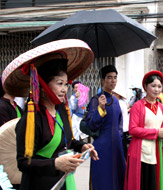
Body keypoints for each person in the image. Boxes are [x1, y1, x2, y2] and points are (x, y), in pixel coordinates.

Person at [2, 39, 99, 190]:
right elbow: (23, 162)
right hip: (38, 184)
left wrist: (82, 146)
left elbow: (68, 141)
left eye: (66, 84)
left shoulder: (61, 110)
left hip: (62, 180)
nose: (64, 89)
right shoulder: (32, 118)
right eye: (59, 83)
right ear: (43, 86)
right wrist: (55, 163)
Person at [124, 70, 163, 190]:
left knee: (155, 183)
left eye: (159, 86)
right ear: (145, 87)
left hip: (156, 151)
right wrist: (156, 133)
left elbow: (162, 126)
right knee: (144, 183)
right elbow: (132, 130)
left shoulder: (160, 106)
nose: (156, 89)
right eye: (153, 86)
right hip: (141, 153)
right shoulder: (137, 106)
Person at [87, 65, 126, 190]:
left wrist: (120, 142)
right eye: (109, 77)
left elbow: (119, 125)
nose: (113, 80)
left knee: (118, 179)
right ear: (102, 80)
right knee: (103, 180)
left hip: (117, 146)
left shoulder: (115, 100)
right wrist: (101, 108)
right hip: (102, 148)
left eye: (115, 77)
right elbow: (92, 125)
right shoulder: (96, 100)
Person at [113, 85, 129, 160]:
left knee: (122, 148)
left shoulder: (118, 103)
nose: (112, 95)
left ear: (118, 95)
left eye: (114, 93)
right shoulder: (122, 103)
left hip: (121, 128)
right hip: (124, 128)